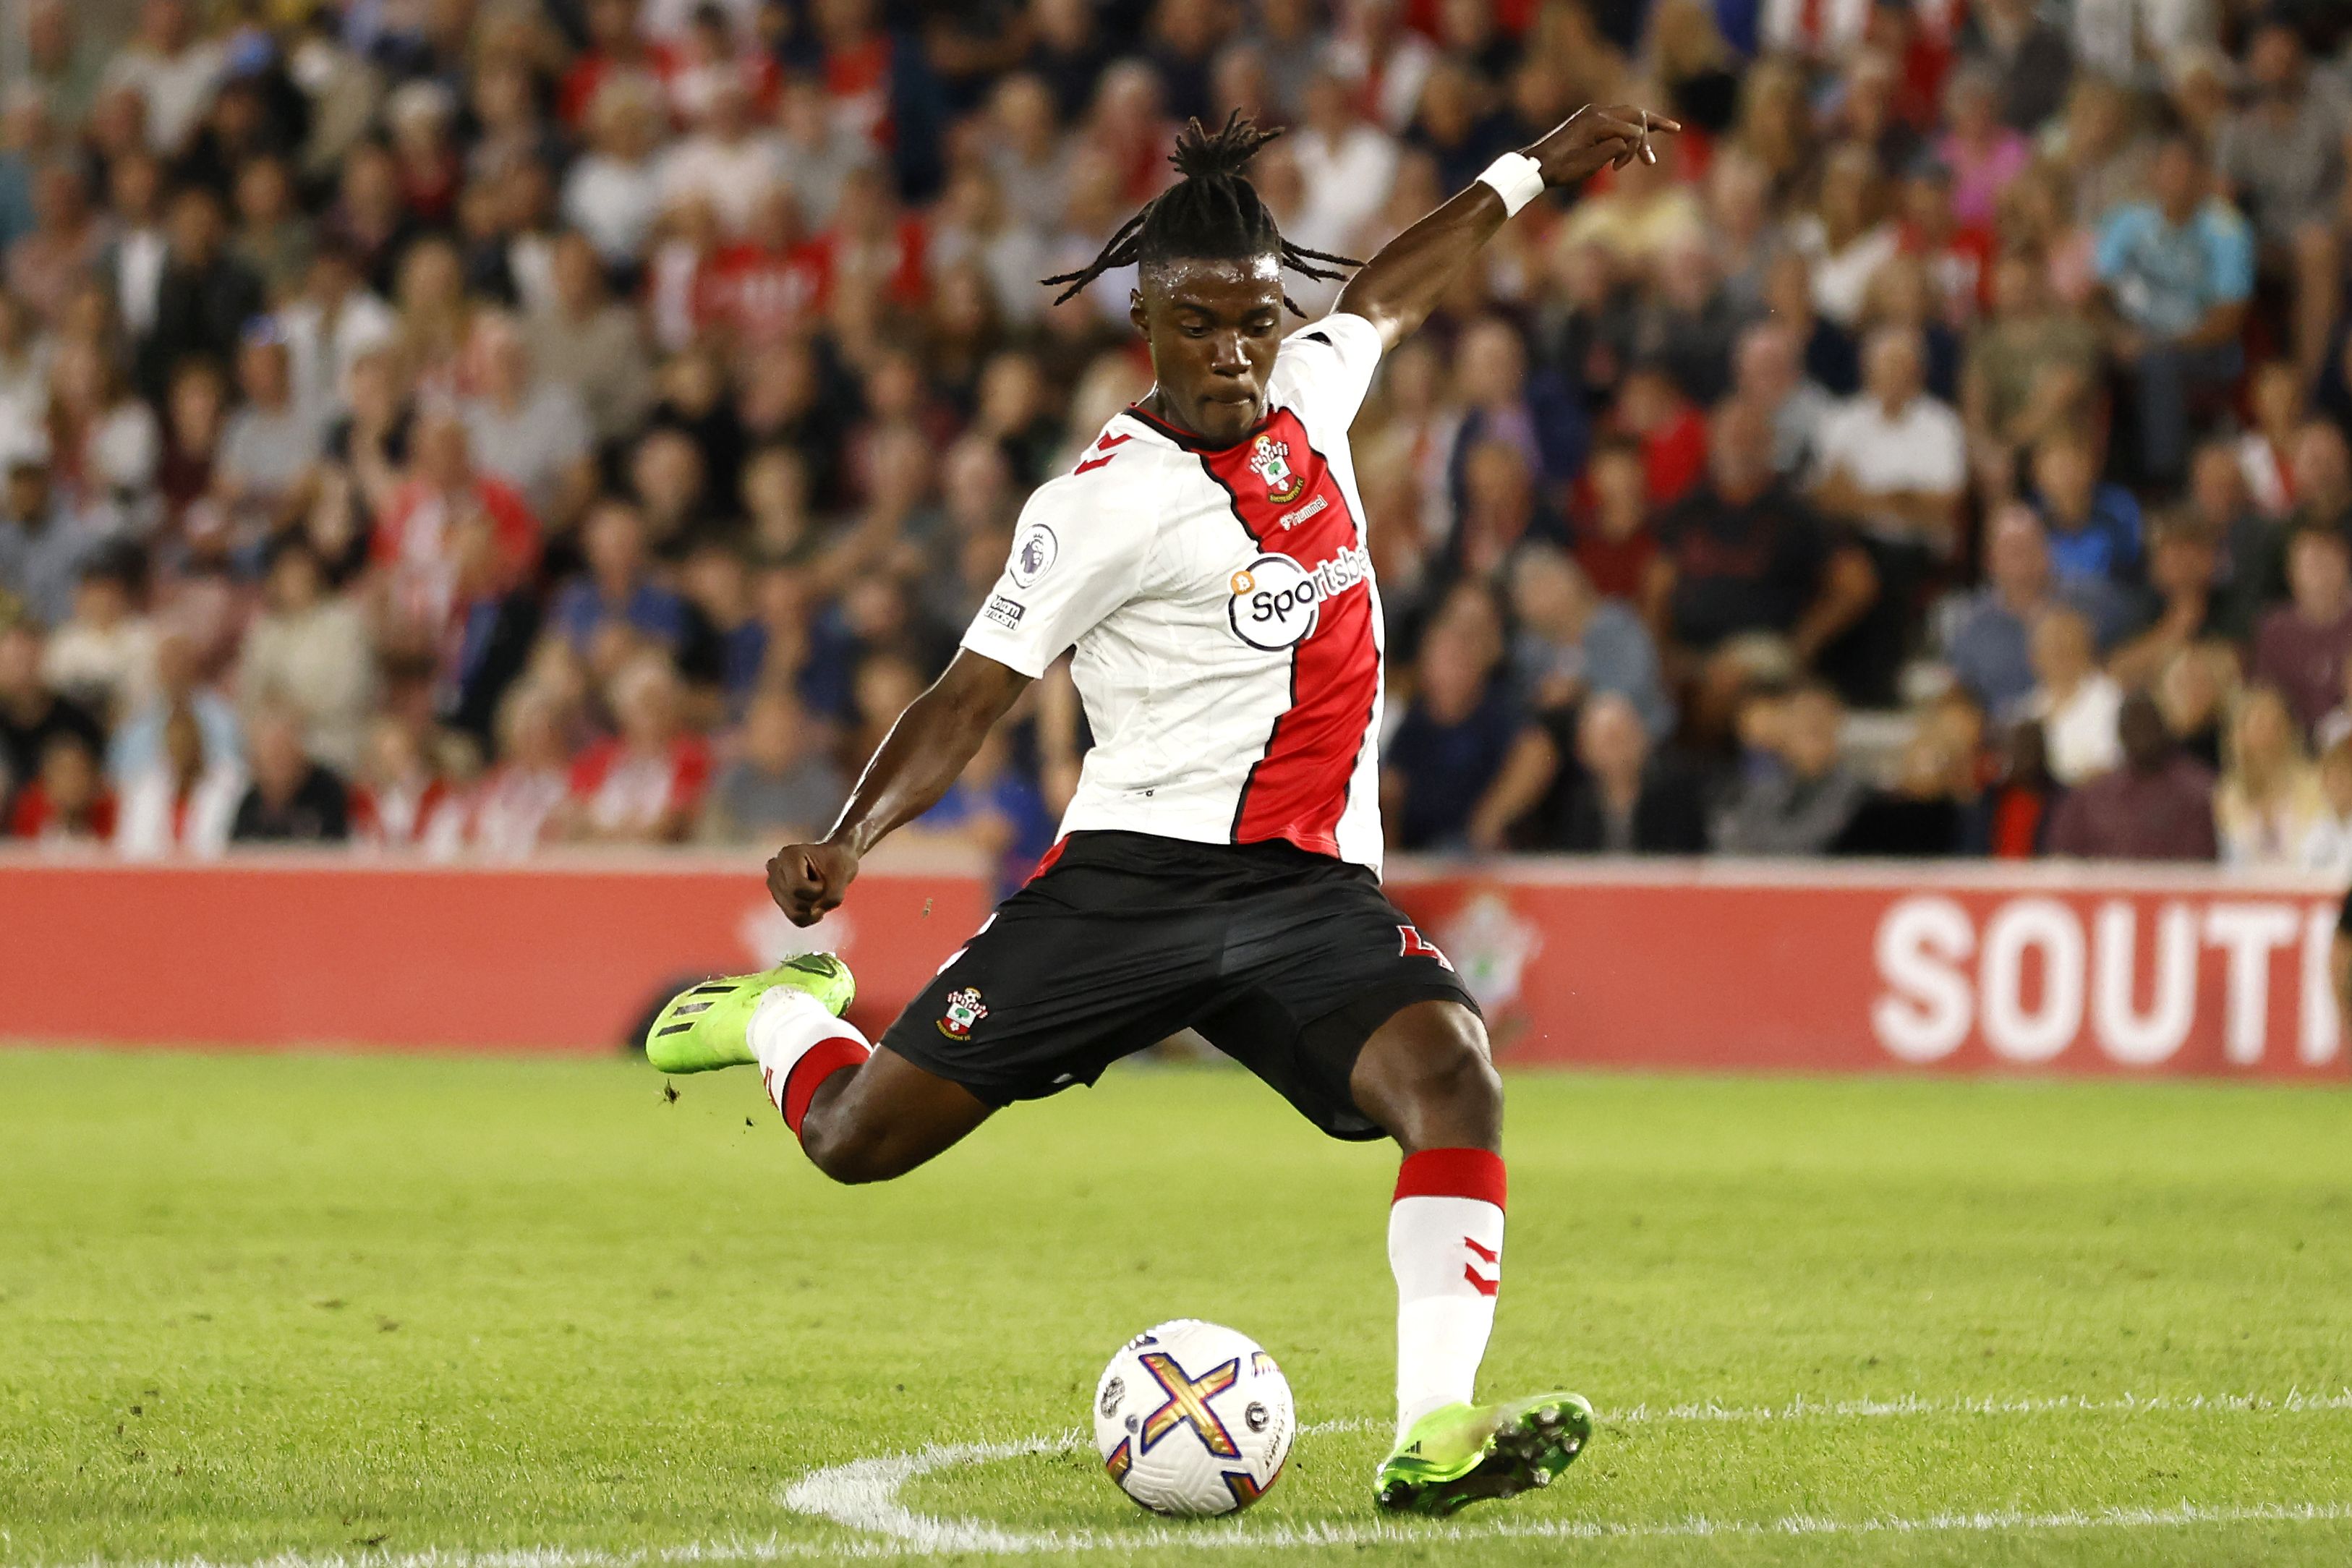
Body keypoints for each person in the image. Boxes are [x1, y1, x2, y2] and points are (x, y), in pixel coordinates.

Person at [639, 106, 1686, 1514]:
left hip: (1307, 894)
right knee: (854, 1144)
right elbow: (970, 689)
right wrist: (850, 836)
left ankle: (1432, 1436)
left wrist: (1535, 168)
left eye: (1256, 321)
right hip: (1130, 885)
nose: (1236, 353)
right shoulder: (1098, 506)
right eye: (1201, 326)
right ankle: (779, 1016)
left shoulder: (1313, 393)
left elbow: (1390, 288)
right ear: (1145, 319)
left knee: (1455, 1079)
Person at [2045, 692, 2216, 861]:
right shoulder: (2094, 795)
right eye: (2132, 724)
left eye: (2147, 724)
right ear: (2120, 732)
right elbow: (2062, 855)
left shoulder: (2196, 791)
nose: (2140, 733)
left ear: (2163, 726)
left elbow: (2199, 866)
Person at [1713, 680, 1867, 854]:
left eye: (1818, 724)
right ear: (1784, 729)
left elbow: (1819, 843)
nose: (1810, 725)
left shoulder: (1861, 797)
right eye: (1800, 720)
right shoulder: (1758, 792)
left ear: (1838, 726)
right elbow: (1731, 842)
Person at [1552, 691, 1707, 853]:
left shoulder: (1676, 796)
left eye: (1627, 735)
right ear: (1584, 751)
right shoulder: (1575, 804)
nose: (1621, 749)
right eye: (1610, 739)